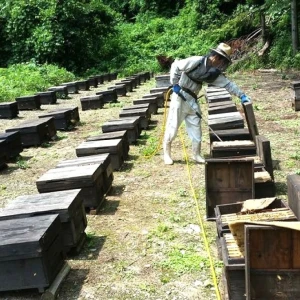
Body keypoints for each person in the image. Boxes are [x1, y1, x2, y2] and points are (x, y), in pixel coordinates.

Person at [163, 42, 251, 165]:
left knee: (196, 127)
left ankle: (196, 154)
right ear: (217, 57)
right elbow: (175, 66)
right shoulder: (196, 61)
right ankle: (166, 154)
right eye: (222, 61)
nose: (222, 65)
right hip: (180, 96)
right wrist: (175, 84)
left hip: (192, 99)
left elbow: (228, 84)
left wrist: (241, 95)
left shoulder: (213, 72)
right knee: (173, 126)